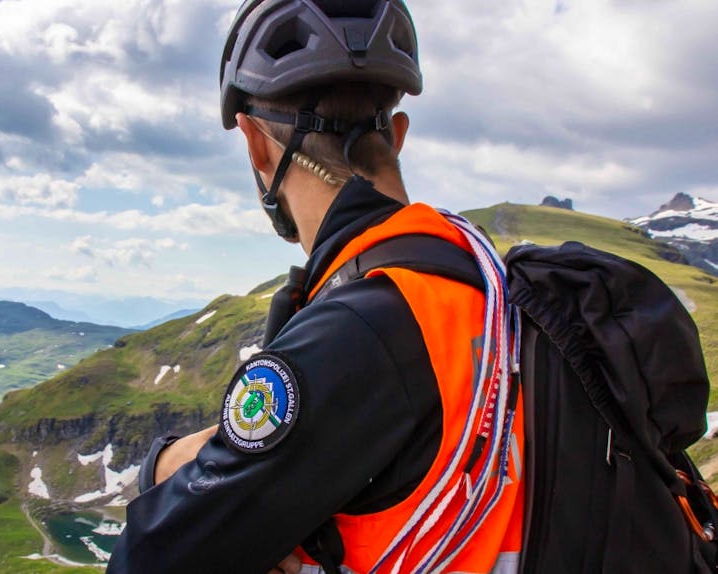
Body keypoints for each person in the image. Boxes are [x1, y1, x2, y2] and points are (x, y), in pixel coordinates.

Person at [107, 1, 524, 572]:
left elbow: (145, 559)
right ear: (397, 135)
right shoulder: (485, 284)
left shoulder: (362, 327)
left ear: (255, 144)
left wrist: (158, 470)